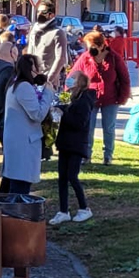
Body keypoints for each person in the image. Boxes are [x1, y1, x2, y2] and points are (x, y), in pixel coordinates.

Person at [0, 53, 53, 195]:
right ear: (31, 69)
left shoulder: (16, 85)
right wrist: (48, 93)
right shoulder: (23, 87)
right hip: (23, 144)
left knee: (14, 186)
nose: (40, 70)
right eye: (38, 66)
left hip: (18, 143)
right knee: (20, 189)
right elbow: (37, 114)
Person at [73, 30, 129, 165]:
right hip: (89, 98)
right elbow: (73, 74)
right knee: (88, 127)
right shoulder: (85, 57)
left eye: (91, 46)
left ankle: (108, 156)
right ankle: (86, 155)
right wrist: (71, 93)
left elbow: (125, 78)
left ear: (101, 45)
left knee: (109, 128)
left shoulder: (114, 57)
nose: (88, 49)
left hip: (111, 98)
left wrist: (122, 97)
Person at [50, 71, 93, 226]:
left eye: (73, 78)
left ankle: (84, 208)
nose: (69, 80)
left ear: (80, 82)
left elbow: (80, 123)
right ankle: (63, 211)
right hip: (65, 143)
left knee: (72, 176)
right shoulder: (72, 98)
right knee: (62, 177)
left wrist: (63, 114)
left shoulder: (84, 100)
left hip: (76, 144)